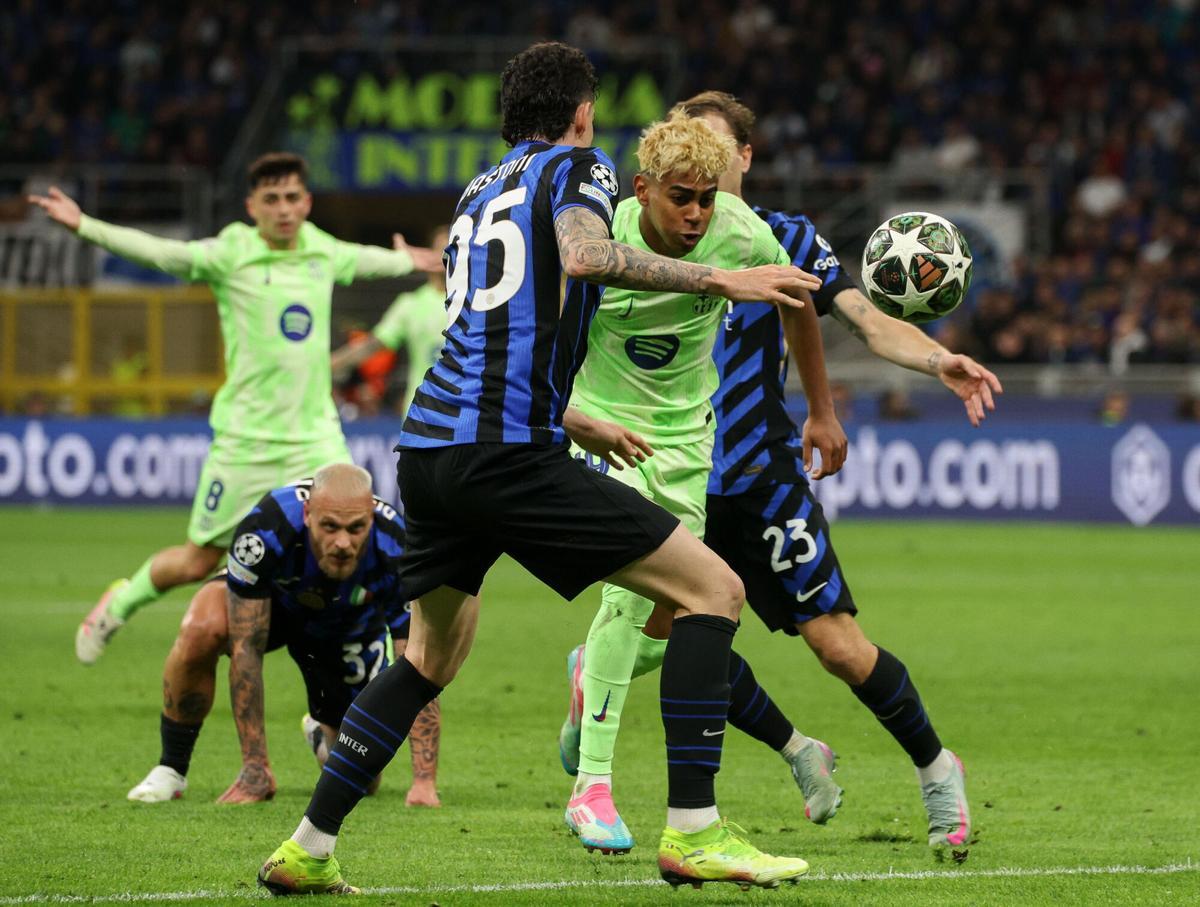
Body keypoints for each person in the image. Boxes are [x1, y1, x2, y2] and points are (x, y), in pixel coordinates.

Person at [257, 41, 821, 895]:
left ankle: (308, 845)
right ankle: (696, 831)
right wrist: (720, 281)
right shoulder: (578, 169)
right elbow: (589, 256)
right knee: (714, 590)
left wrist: (574, 414)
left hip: (430, 450)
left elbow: (485, 333)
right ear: (582, 113)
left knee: (426, 659)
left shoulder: (479, 190)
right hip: (505, 453)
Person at [676, 91, 1002, 855]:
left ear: (746, 158)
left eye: (718, 149)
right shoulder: (658, 242)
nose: (704, 165)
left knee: (836, 646)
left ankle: (934, 764)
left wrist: (930, 359)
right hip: (680, 478)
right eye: (688, 148)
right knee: (666, 638)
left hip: (760, 476)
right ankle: (797, 749)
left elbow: (858, 317)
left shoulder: (784, 237)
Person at [556, 112, 844, 857]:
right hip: (604, 433)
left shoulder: (742, 232)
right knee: (627, 596)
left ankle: (593, 676)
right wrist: (573, 418)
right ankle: (591, 788)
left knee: (672, 619)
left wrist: (820, 408)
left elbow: (798, 299)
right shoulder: (597, 237)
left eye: (707, 198)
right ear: (643, 189)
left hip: (687, 443)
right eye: (681, 197)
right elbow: (544, 346)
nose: (696, 214)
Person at [28, 153, 441, 666]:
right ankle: (119, 602)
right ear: (252, 207)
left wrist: (406, 259)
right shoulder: (232, 253)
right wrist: (85, 225)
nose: (284, 209)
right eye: (272, 200)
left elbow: (373, 259)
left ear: (307, 203)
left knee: (350, 552)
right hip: (246, 441)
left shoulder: (322, 251)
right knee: (196, 560)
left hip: (316, 440)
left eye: (293, 198)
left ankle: (337, 690)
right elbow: (164, 254)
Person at [125, 464, 441, 809]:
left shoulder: (398, 545)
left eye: (356, 528)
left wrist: (423, 781)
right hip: (274, 606)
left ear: (371, 518)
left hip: (348, 627)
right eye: (330, 527)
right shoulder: (265, 529)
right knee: (202, 628)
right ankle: (171, 769)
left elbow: (415, 663)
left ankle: (321, 731)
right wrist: (255, 766)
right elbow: (247, 649)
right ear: (308, 514)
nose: (342, 543)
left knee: (362, 781)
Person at [330, 225, 451, 419]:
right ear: (428, 252)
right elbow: (372, 345)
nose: (447, 254)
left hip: (468, 415)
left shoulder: (477, 301)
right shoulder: (411, 304)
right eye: (441, 248)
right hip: (421, 416)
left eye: (454, 247)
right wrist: (330, 365)